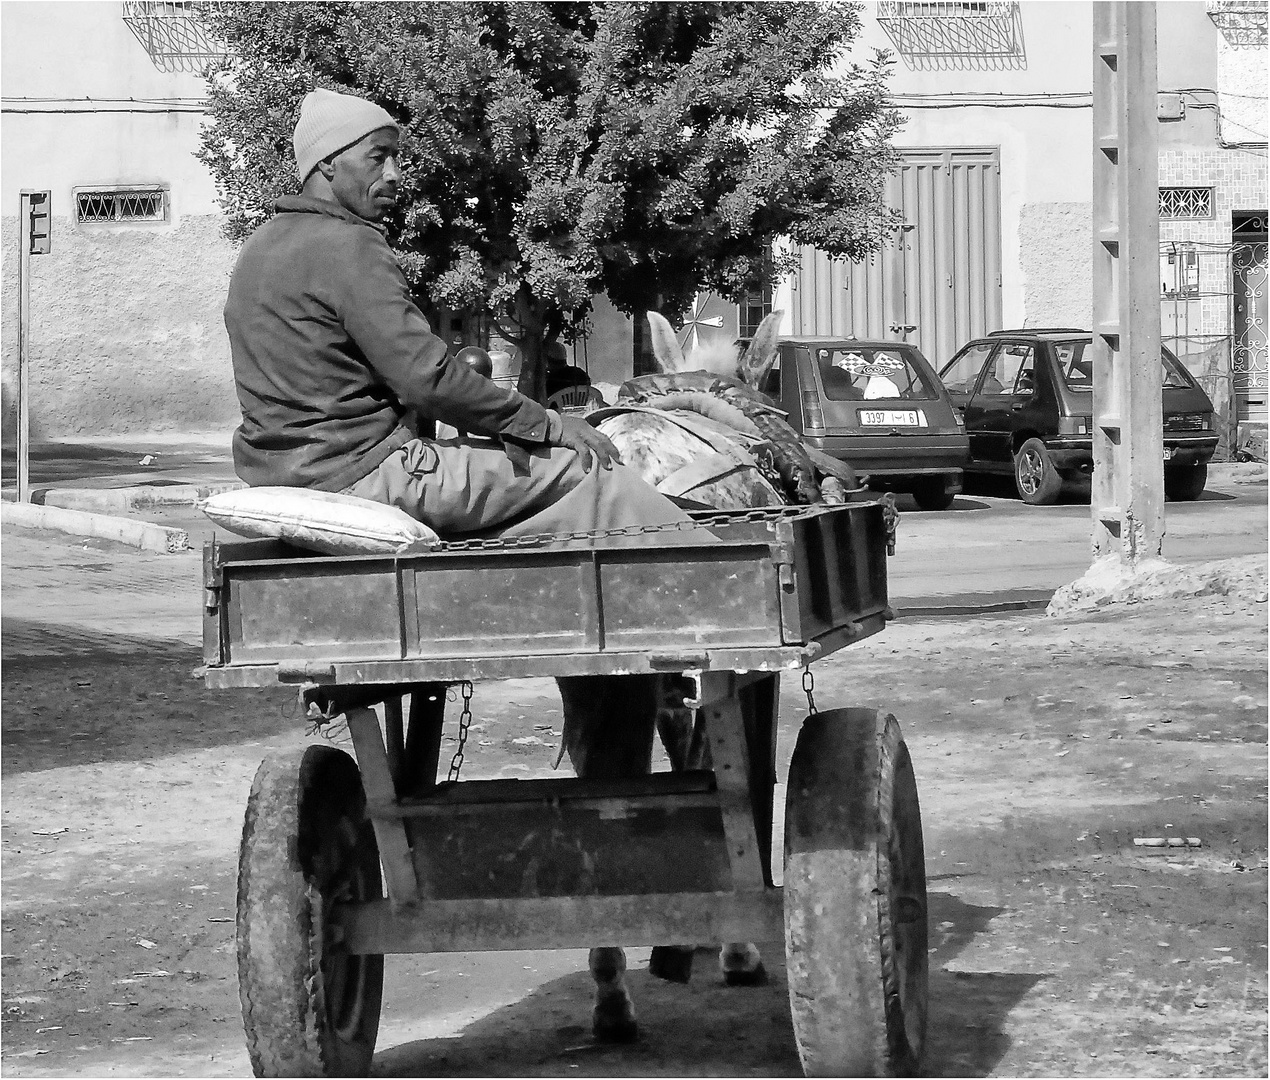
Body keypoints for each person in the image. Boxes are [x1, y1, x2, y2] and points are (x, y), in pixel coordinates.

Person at [224, 87, 708, 545]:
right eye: (378, 156)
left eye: (397, 157)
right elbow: (427, 380)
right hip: (365, 470)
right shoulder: (350, 244)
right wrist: (550, 425)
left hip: (284, 468)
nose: (394, 173)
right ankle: (730, 585)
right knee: (589, 470)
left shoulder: (260, 246)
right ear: (328, 163)